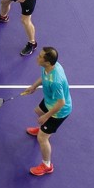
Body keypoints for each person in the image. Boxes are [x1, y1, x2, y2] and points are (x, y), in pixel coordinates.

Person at [21, 46, 70, 176]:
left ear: (47, 62)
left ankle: (47, 165)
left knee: (42, 138)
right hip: (50, 101)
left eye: (40, 56)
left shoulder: (56, 81)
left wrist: (47, 116)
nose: (37, 57)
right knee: (38, 111)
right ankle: (44, 128)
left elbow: (61, 103)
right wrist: (33, 87)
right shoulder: (49, 67)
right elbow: (44, 77)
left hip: (59, 111)